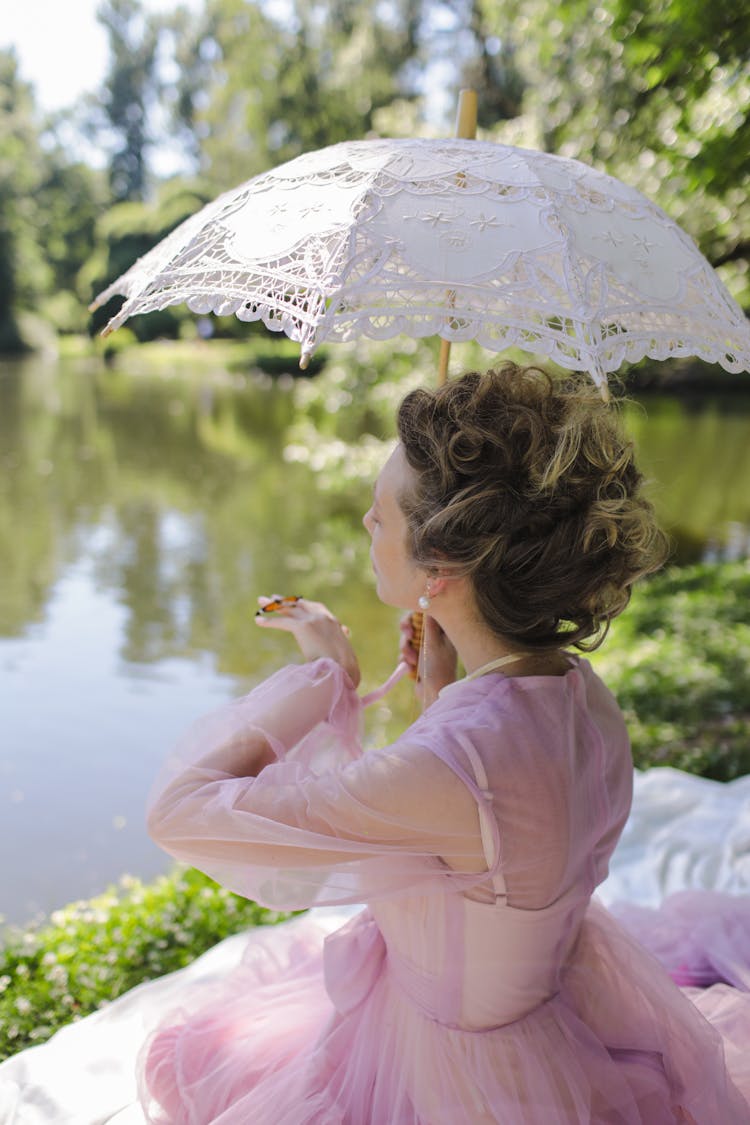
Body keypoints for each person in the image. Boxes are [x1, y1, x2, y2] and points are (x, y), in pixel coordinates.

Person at [138, 365, 750, 1123]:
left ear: (442, 571)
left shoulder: (452, 767)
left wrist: (322, 676)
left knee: (204, 1057)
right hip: (553, 1020)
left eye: (382, 515)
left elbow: (180, 810)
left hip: (452, 1081)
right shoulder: (579, 694)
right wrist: (442, 690)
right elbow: (496, 832)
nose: (366, 523)